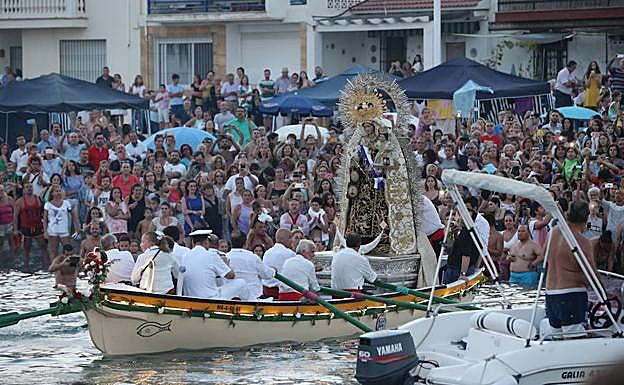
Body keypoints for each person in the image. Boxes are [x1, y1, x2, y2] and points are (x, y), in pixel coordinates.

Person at [545, 200, 598, 338]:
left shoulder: (552, 234)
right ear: (586, 218)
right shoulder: (582, 242)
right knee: (575, 339)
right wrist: (605, 295)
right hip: (571, 294)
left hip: (550, 294)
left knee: (558, 337)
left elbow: (543, 257)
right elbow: (592, 274)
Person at [182, 229, 248, 300]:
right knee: (242, 282)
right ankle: (248, 306)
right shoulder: (212, 255)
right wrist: (226, 265)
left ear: (193, 242)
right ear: (206, 242)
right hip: (211, 298)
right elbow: (231, 276)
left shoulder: (185, 256)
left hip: (190, 298)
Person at [226, 234, 274, 300]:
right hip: (254, 298)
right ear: (246, 243)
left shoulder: (226, 257)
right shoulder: (253, 257)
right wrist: (273, 271)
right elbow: (266, 274)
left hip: (231, 298)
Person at [13, 181, 47, 271]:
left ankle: (46, 265)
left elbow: (43, 213)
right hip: (26, 228)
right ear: (24, 189)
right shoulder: (19, 202)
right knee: (26, 248)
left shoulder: (38, 199)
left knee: (43, 246)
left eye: (31, 187)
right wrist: (15, 230)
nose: (29, 188)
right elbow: (15, 216)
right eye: (27, 187)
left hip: (38, 226)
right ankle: (26, 267)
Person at [261, 228, 296, 298]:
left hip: (266, 290)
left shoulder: (267, 253)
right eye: (291, 238)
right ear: (288, 238)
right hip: (280, 291)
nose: (292, 241)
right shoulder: (289, 254)